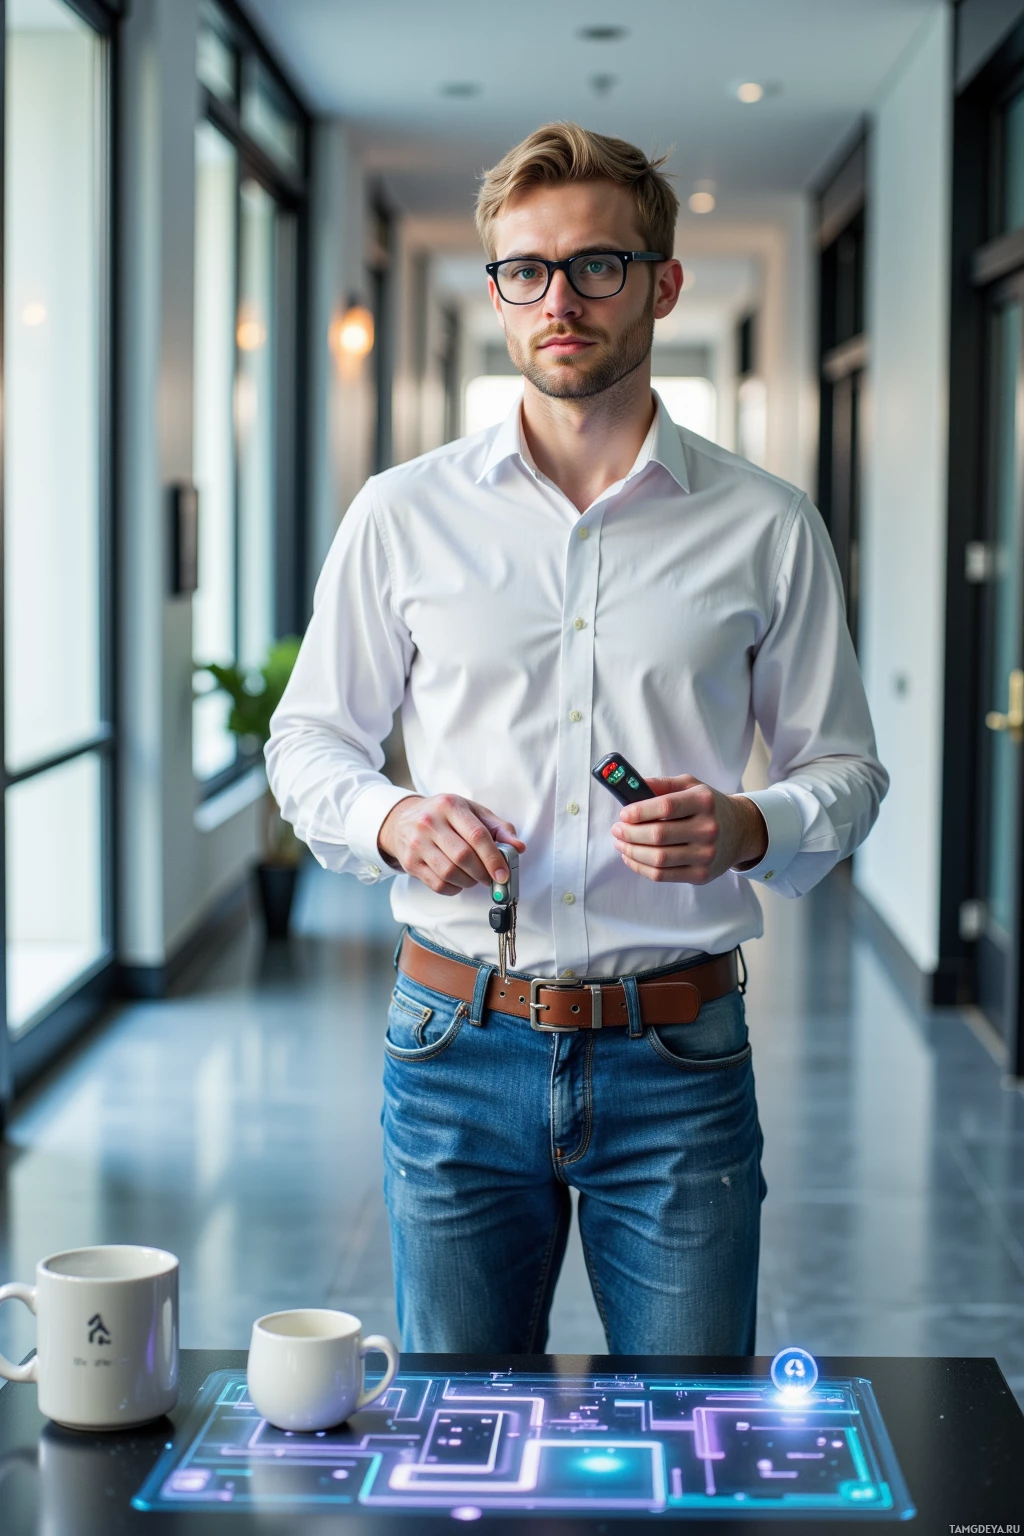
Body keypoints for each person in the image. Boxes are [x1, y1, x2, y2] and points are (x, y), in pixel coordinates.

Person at [266, 122, 888, 1357]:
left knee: (686, 1443)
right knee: (457, 1446)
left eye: (597, 265)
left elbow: (848, 771)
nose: (559, 299)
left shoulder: (766, 527)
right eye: (526, 270)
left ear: (662, 283)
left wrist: (752, 823)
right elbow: (307, 743)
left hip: (678, 1059)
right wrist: (392, 818)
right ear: (496, 289)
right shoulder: (401, 517)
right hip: (451, 1047)